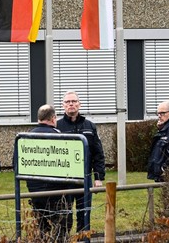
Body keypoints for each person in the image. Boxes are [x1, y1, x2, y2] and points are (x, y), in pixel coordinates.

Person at [56, 91, 105, 234]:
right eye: (67, 102)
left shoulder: (89, 126)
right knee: (64, 215)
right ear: (63, 106)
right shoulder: (57, 127)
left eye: (74, 101)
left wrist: (98, 177)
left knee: (84, 214)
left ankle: (84, 239)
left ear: (79, 104)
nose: (71, 104)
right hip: (64, 179)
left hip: (85, 177)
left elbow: (98, 153)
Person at [25, 104, 72, 242]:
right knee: (62, 227)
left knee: (42, 228)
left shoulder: (26, 137)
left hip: (35, 192)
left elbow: (18, 164)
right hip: (57, 192)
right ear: (53, 118)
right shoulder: (59, 136)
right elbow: (67, 163)